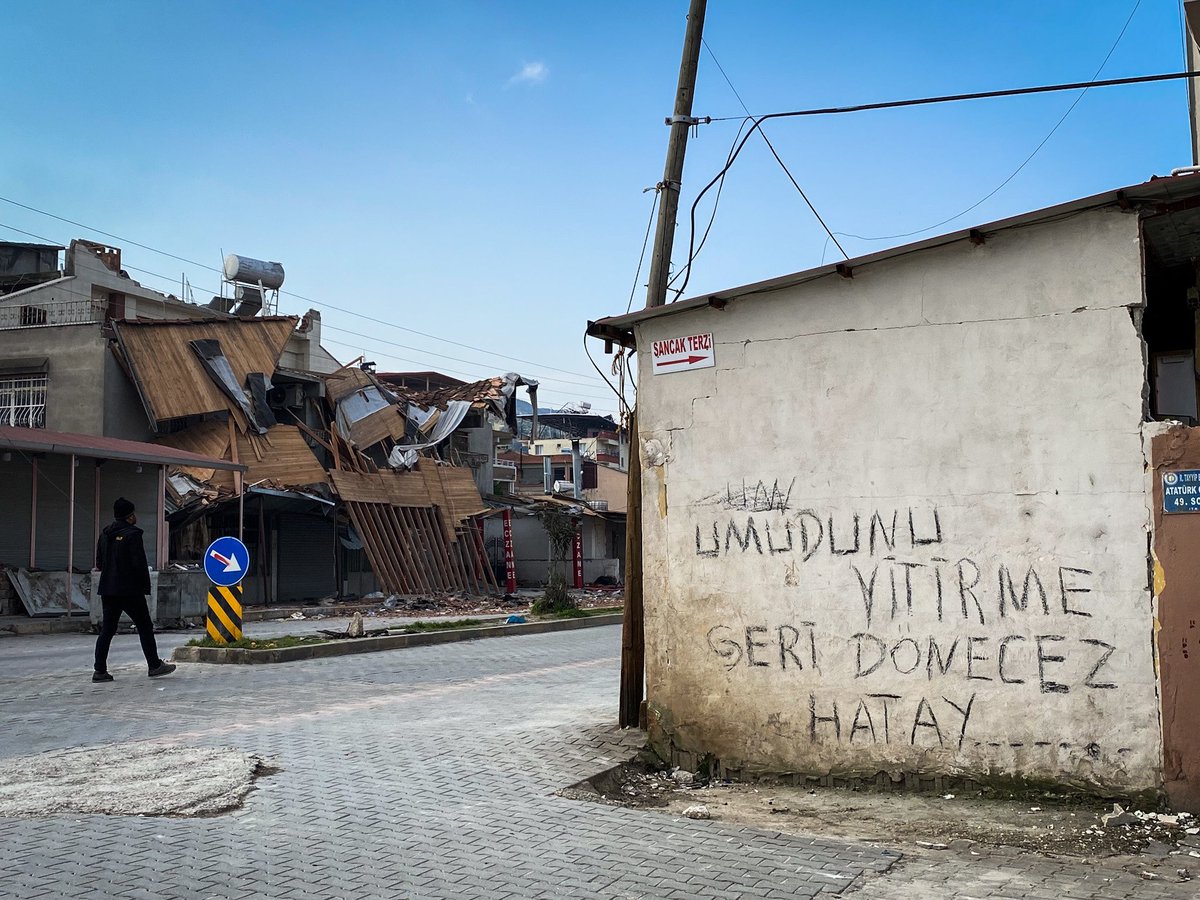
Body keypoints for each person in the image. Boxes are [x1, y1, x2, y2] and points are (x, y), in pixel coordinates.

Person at [93, 497, 176, 682]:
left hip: (108, 589)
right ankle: (154, 665)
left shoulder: (105, 534)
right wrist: (144, 587)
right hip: (130, 590)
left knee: (107, 629)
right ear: (129, 516)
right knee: (144, 626)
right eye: (133, 514)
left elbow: (99, 563)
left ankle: (99, 671)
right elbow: (139, 564)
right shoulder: (133, 535)